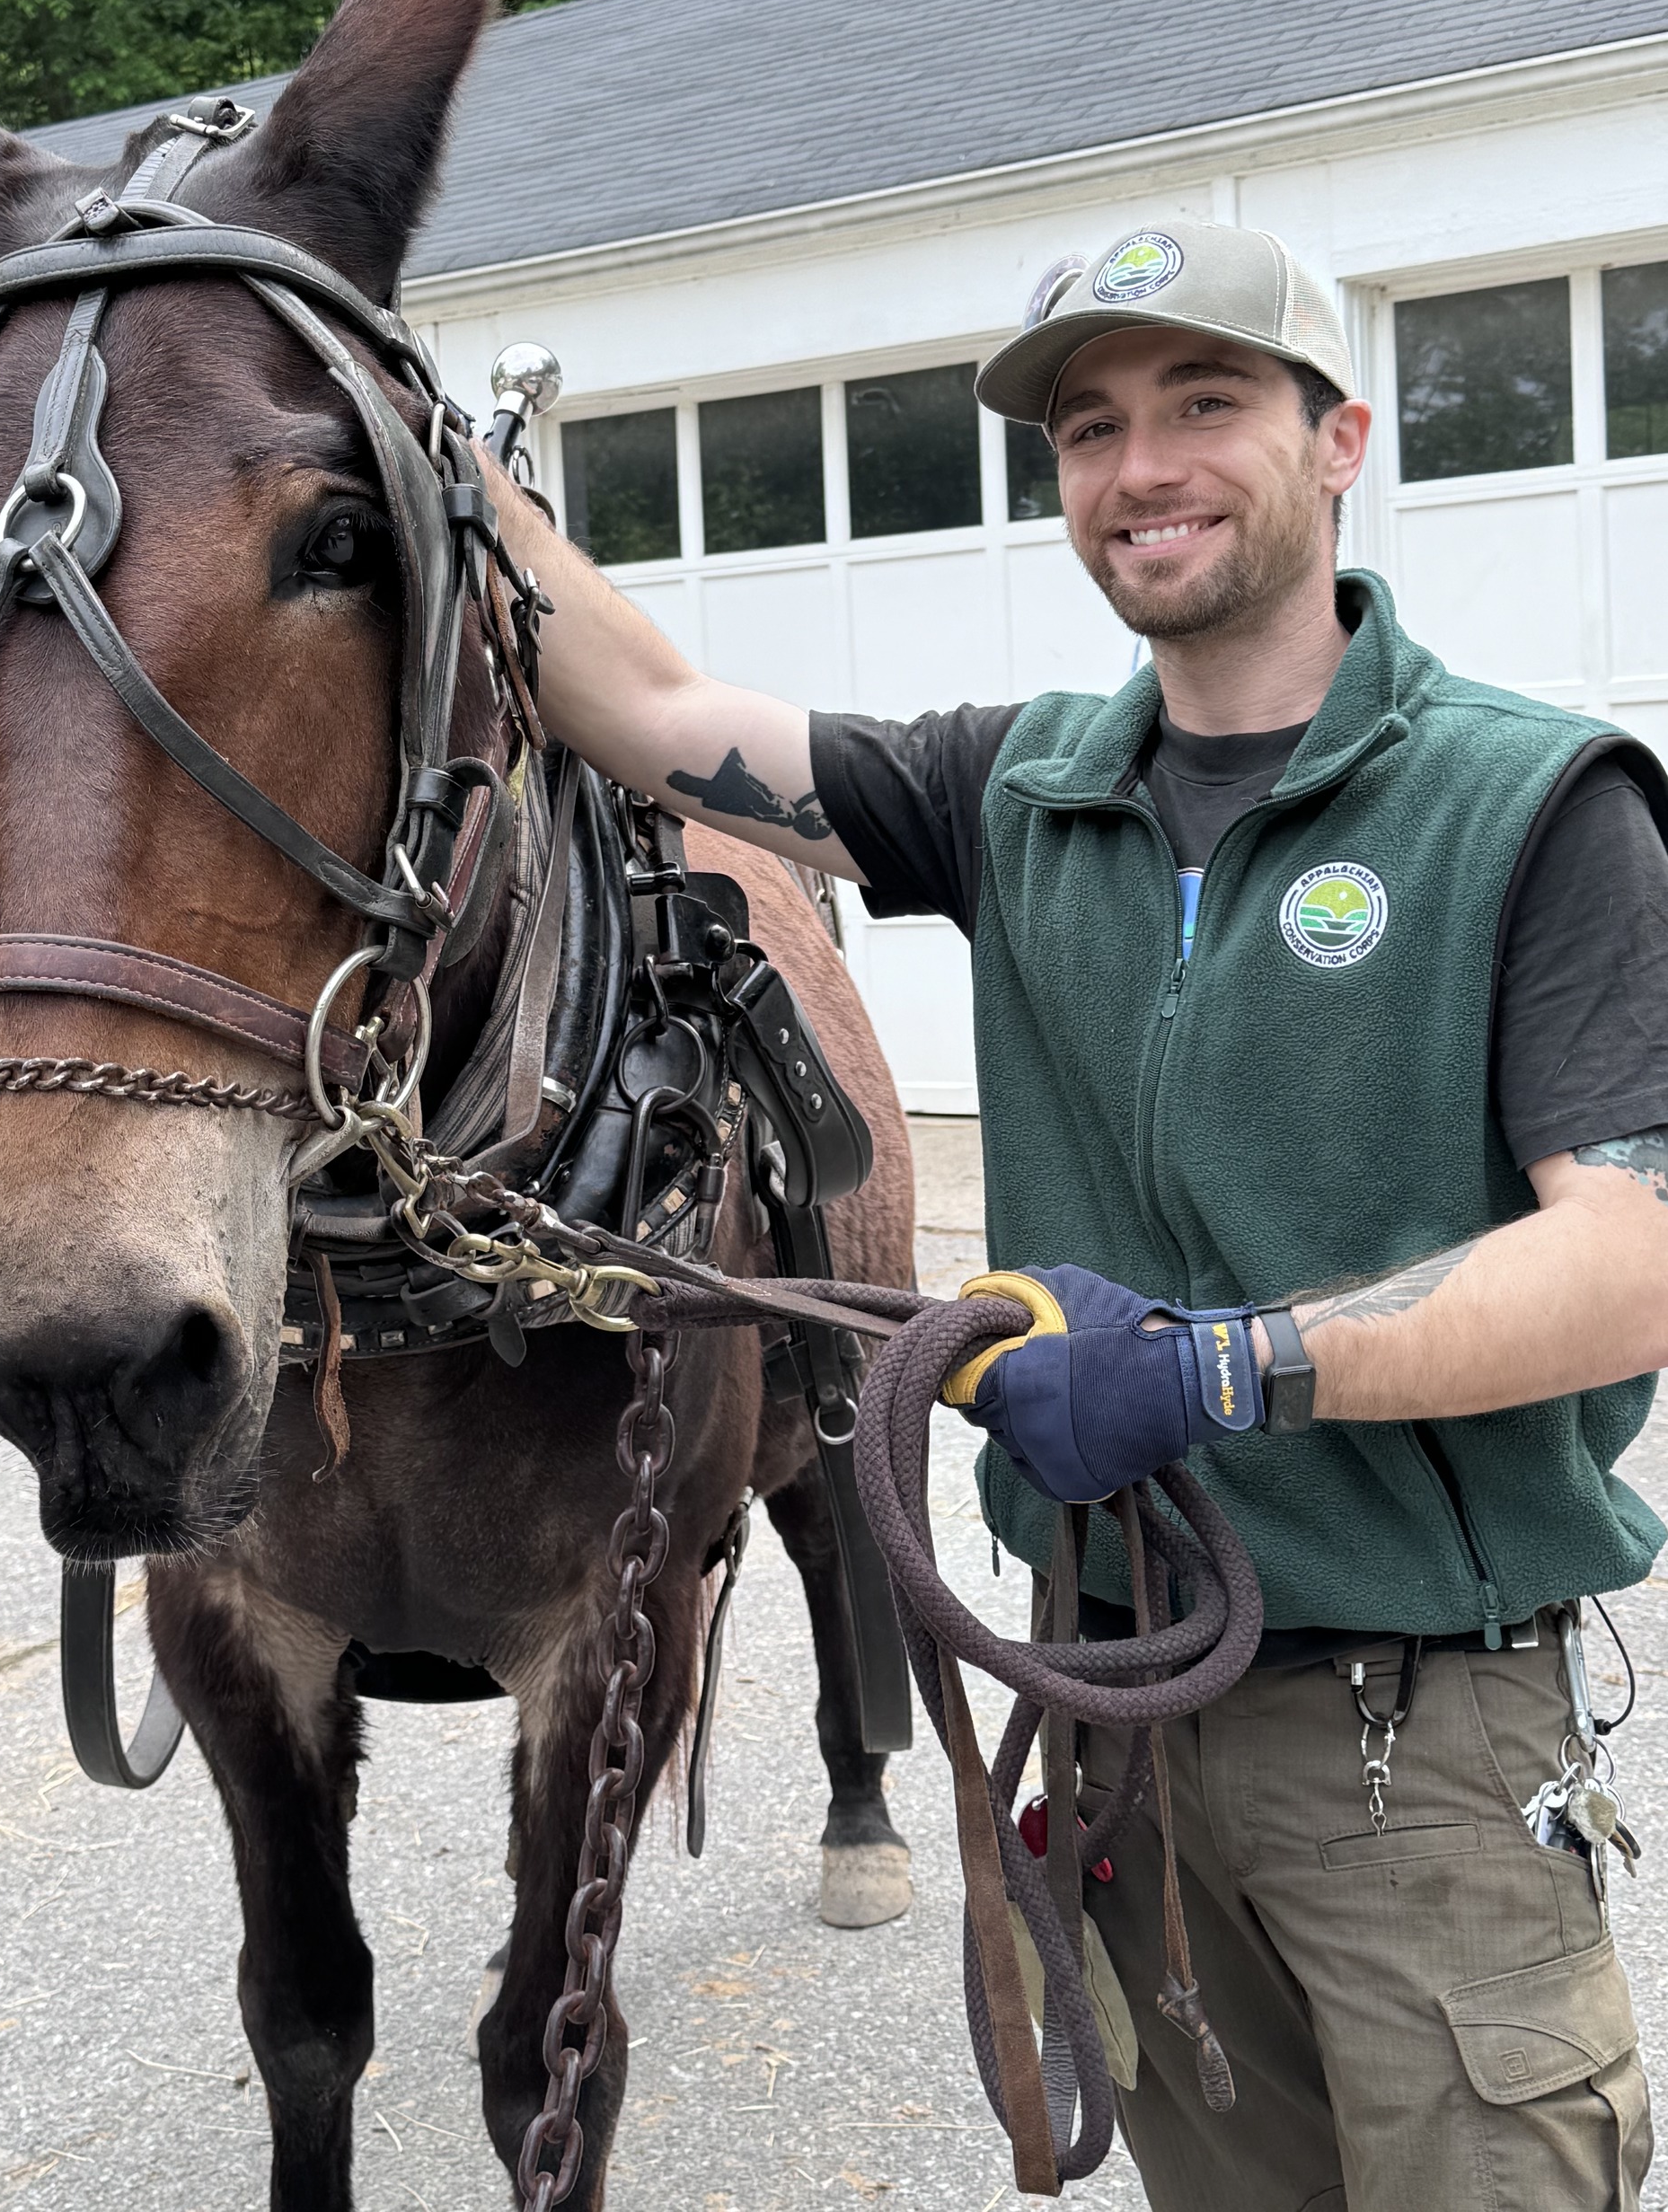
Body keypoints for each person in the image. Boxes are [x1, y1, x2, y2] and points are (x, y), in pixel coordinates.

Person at [485, 216, 1668, 2209]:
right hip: (1110, 1704)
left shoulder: (1532, 806)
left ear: (1340, 434)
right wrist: (416, 444)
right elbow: (653, 702)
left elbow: (1631, 1260)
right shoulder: (1018, 789)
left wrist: (1227, 1371)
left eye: (1207, 402)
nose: (1143, 468)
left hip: (1415, 1739)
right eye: (1091, 429)